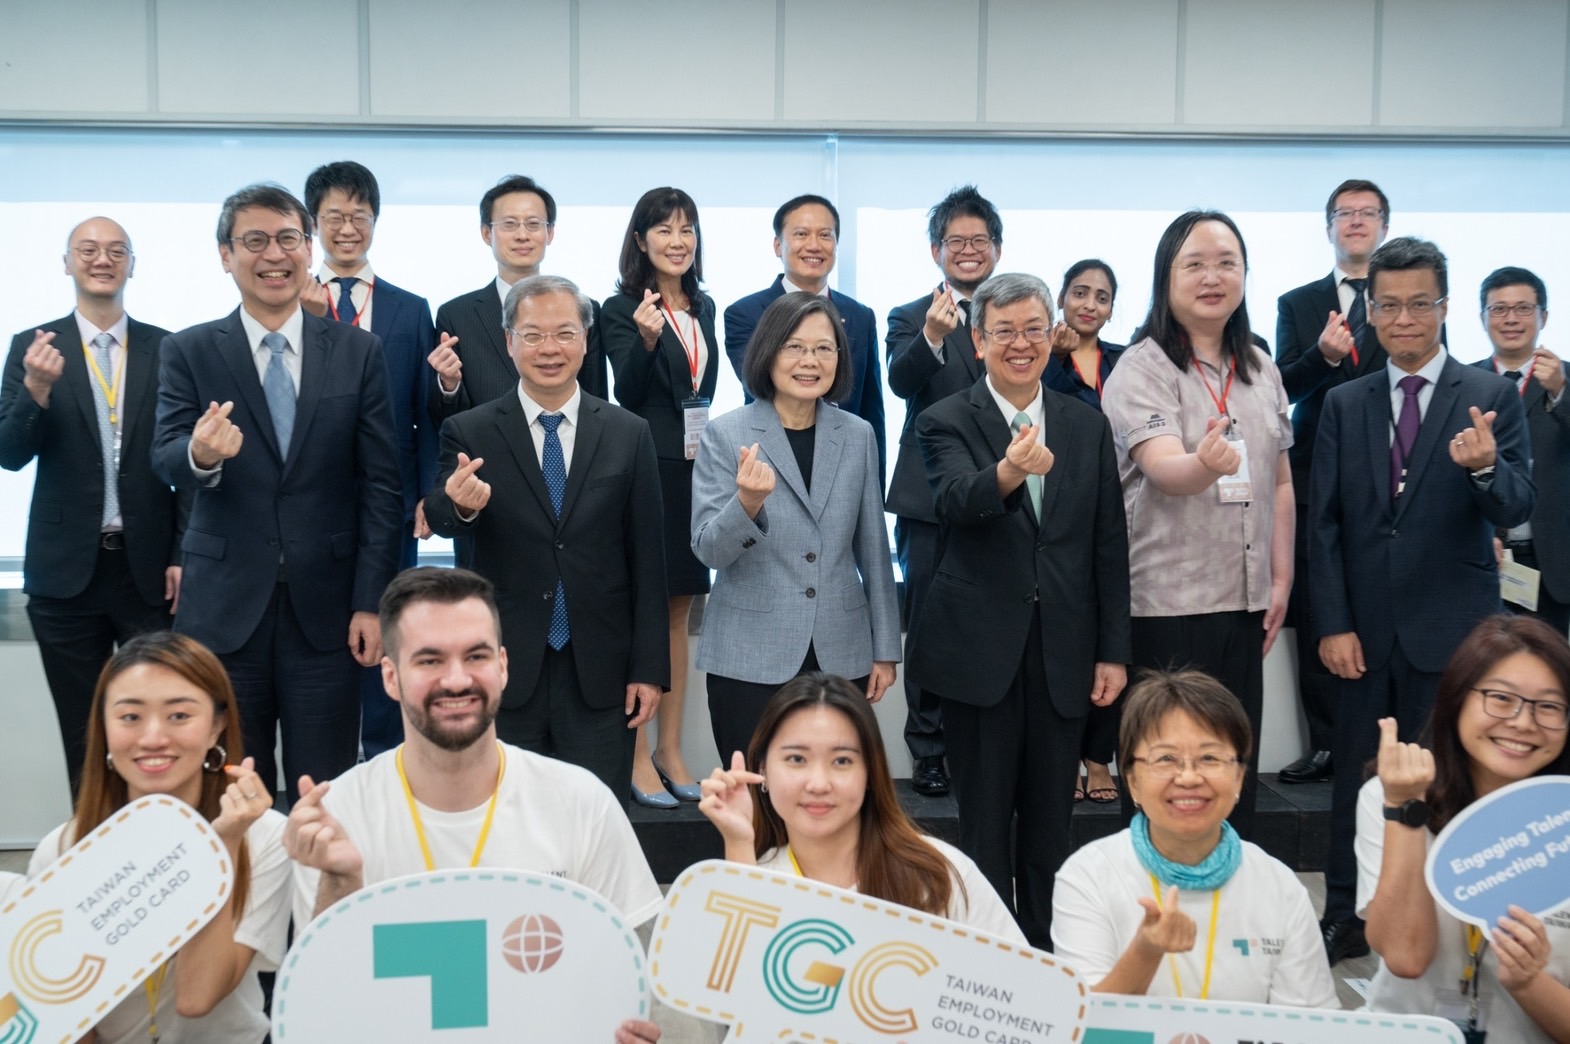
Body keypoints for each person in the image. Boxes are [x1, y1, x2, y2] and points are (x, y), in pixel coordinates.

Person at [284, 566, 663, 1044]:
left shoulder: (581, 802)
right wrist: (340, 883)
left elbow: (625, 978)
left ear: (502, 667)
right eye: (429, 660)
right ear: (391, 677)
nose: (457, 679)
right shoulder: (339, 816)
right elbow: (324, 1008)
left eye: (476, 656)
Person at [1311, 236, 1534, 966]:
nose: (1404, 320)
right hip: (1363, 634)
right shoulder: (1344, 402)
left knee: (1450, 776)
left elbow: (1516, 505)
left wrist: (1484, 470)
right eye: (1389, 306)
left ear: (1444, 307)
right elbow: (1324, 524)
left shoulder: (1490, 396)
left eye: (1419, 304)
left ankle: (1449, 912)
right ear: (1370, 311)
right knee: (1357, 776)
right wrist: (1333, 622)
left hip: (1455, 633)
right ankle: (1345, 914)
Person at [151, 183, 404, 803]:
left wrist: (370, 602)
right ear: (225, 254)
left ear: (308, 248)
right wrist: (200, 454)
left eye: (288, 238)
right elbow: (164, 457)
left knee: (327, 793)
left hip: (329, 614)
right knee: (233, 790)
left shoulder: (357, 351)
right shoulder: (188, 349)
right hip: (224, 611)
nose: (274, 254)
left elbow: (381, 486)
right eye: (255, 240)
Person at [908, 272, 1130, 949]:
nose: (1021, 343)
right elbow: (954, 501)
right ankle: (985, 959)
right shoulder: (944, 418)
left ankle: (1046, 957)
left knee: (1049, 828)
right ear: (978, 342)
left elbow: (1108, 543)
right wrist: (1009, 470)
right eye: (1004, 331)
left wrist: (1113, 651)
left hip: (1064, 651)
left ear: (1052, 334)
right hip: (979, 657)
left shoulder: (1086, 425)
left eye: (1034, 329)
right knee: (982, 829)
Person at [423, 275, 667, 802]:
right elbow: (441, 514)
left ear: (586, 339)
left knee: (594, 820)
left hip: (601, 670)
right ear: (509, 342)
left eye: (564, 333)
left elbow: (649, 559)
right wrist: (459, 504)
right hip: (504, 665)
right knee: (505, 817)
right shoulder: (471, 430)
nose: (549, 349)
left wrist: (649, 670)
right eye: (532, 335)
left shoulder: (628, 432)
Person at [1101, 210, 1295, 842]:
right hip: (1166, 605)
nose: (1212, 277)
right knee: (1163, 770)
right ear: (1166, 277)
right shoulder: (1143, 366)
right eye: (1195, 265)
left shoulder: (1261, 367)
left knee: (1230, 767)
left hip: (1244, 601)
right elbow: (1164, 470)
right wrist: (1204, 464)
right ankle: (1152, 896)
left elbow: (1280, 482)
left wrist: (1281, 579)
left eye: (1226, 263)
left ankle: (1225, 893)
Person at [29, 631, 291, 1043]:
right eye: (130, 717)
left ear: (216, 726)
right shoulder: (64, 849)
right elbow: (64, 1017)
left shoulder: (263, 836)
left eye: (179, 715)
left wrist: (222, 846)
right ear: (104, 728)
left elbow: (197, 998)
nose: (153, 738)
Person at [0, 216, 180, 793]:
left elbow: (187, 465)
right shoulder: (33, 347)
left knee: (159, 727)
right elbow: (9, 454)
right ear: (67, 262)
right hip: (65, 574)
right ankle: (95, 838)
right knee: (83, 732)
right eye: (89, 250)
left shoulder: (168, 347)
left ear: (132, 264)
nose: (103, 260)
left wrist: (181, 554)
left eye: (116, 250)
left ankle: (161, 829)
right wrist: (36, 390)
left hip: (148, 571)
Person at [692, 291, 899, 766]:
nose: (811, 361)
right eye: (795, 347)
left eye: (824, 348)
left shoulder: (857, 434)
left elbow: (873, 547)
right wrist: (747, 504)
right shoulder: (726, 433)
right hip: (748, 653)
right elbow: (708, 549)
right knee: (755, 791)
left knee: (832, 790)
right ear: (768, 352)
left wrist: (885, 649)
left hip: (840, 649)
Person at [1052, 670, 1336, 1007]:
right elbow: (1081, 1023)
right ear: (1132, 781)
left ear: (1239, 777)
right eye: (1166, 759)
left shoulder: (1278, 885)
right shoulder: (1089, 876)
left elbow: (1308, 1023)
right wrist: (1145, 952)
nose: (1188, 777)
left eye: (1210, 758)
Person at [1358, 615, 1570, 1042]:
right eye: (1500, 698)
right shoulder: (1393, 794)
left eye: (1549, 706)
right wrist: (1405, 809)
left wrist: (1529, 981)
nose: (1523, 722)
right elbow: (1405, 957)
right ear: (1457, 699)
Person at [698, 672, 1024, 942]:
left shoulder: (939, 874)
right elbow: (730, 989)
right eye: (796, 759)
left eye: (842, 761)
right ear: (762, 769)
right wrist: (739, 844)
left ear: (870, 771)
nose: (818, 783)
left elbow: (1023, 987)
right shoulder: (751, 878)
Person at [302, 159, 441, 759]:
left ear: (375, 222)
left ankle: (386, 762)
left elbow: (425, 411)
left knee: (388, 634)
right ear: (314, 224)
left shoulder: (410, 309)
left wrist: (427, 491)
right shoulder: (291, 304)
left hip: (393, 502)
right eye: (334, 216)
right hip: (312, 502)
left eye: (359, 216)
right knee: (321, 638)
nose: (347, 228)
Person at [884, 184, 1004, 798]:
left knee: (994, 622)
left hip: (1004, 493)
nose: (968, 250)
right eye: (956, 241)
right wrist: (932, 336)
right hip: (929, 498)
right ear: (936, 251)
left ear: (997, 248)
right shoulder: (910, 315)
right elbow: (901, 382)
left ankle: (982, 745)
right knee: (930, 623)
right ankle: (928, 750)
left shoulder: (1012, 315)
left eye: (979, 240)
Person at [601, 188, 720, 810]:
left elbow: (701, 393)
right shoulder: (621, 309)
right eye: (665, 230)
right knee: (640, 608)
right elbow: (626, 392)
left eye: (687, 229)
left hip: (695, 471)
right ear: (641, 240)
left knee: (680, 610)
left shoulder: (705, 306)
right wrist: (646, 343)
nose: (678, 241)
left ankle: (671, 751)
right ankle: (634, 755)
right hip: (644, 467)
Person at [1274, 179, 1392, 787]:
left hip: (1387, 471)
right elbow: (1282, 388)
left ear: (1384, 226)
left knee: (1381, 598)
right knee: (1319, 602)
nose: (1356, 221)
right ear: (1328, 227)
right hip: (1313, 468)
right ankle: (1324, 744)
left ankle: (1384, 742)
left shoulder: (1404, 302)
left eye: (1368, 213)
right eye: (1345, 213)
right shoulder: (1298, 302)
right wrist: (1321, 355)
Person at [722, 194, 886, 486]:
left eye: (825, 235)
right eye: (801, 234)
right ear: (778, 245)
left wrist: (874, 482)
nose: (814, 245)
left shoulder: (861, 316)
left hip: (846, 466)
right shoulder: (745, 313)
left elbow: (871, 408)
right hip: (772, 463)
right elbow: (757, 383)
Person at [429, 175, 606, 424]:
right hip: (488, 445)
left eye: (533, 224)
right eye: (510, 224)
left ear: (550, 232)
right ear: (486, 233)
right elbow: (448, 420)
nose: (522, 235)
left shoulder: (583, 309)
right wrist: (449, 385)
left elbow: (597, 404)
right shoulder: (456, 315)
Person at [1046, 259, 1127, 804]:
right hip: (1064, 509)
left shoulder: (1128, 360)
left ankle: (1100, 757)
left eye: (1101, 296)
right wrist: (1054, 358)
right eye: (1079, 292)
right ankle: (1068, 755)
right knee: (1070, 640)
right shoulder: (1041, 357)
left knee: (1113, 640)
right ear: (1061, 298)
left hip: (1123, 503)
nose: (1089, 304)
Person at [1473, 267, 1569, 634]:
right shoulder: (1461, 384)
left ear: (1544, 316)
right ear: (1483, 318)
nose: (1511, 319)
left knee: (1549, 664)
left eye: (1523, 308)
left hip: (1553, 561)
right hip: (1482, 556)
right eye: (1499, 309)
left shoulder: (1566, 379)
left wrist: (1561, 393)